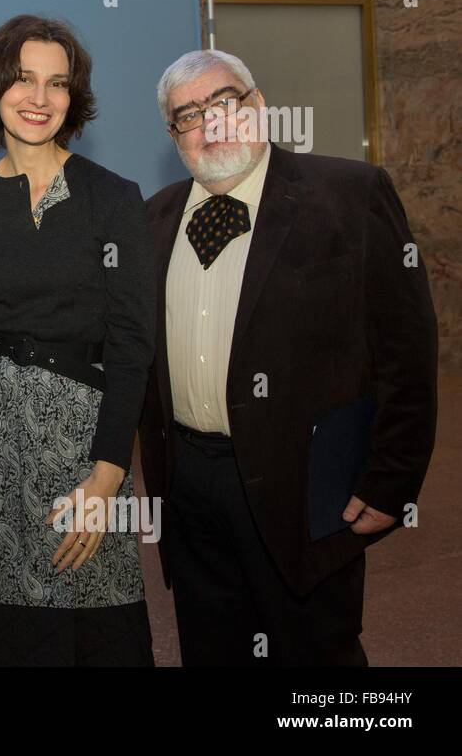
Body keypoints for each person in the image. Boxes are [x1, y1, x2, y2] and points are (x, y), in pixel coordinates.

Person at [138, 49, 438, 665]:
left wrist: (391, 480)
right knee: (213, 645)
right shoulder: (154, 219)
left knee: (315, 655)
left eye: (223, 102)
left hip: (305, 482)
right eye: (187, 115)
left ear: (259, 106)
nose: (209, 123)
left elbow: (405, 351)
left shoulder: (351, 196)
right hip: (190, 482)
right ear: (174, 136)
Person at [0, 15, 157, 665]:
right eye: (24, 79)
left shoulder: (114, 199)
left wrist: (108, 475)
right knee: (13, 639)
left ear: (74, 96)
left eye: (57, 83)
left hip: (81, 452)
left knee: (92, 632)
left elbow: (132, 343)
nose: (39, 97)